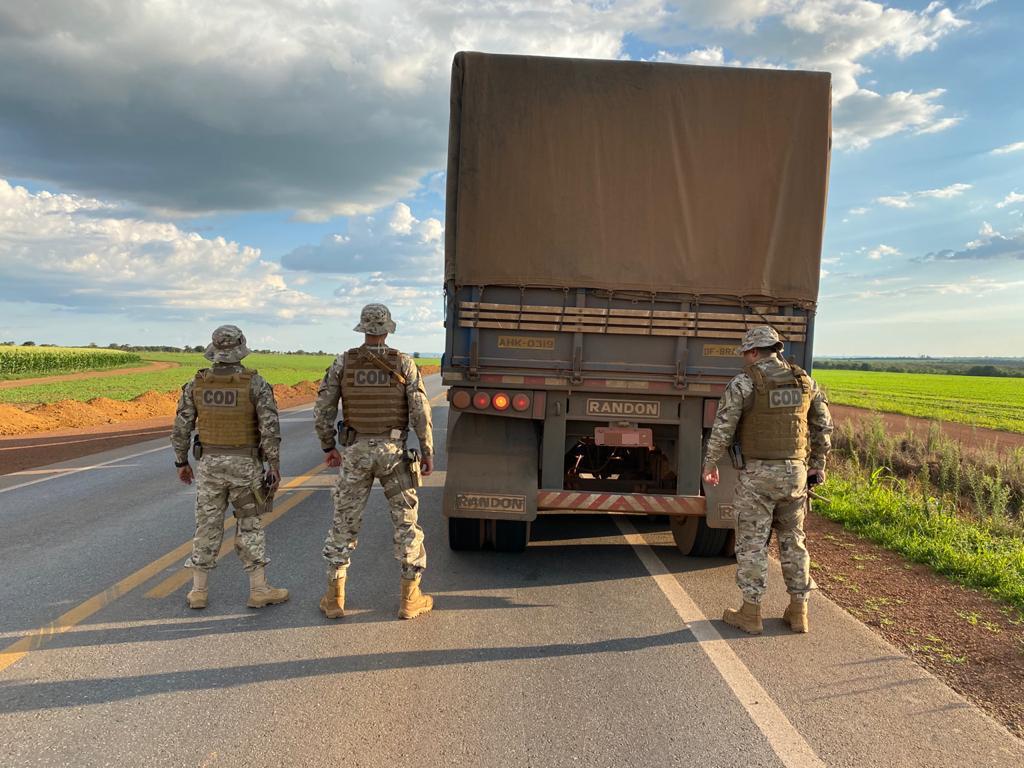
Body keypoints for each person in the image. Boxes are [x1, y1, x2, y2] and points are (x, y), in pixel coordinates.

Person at [702, 325, 833, 635]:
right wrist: (818, 465)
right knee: (794, 540)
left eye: (746, 353)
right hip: (795, 474)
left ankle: (751, 612)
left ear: (754, 352)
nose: (744, 359)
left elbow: (723, 427)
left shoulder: (745, 383)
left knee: (752, 544)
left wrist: (711, 463)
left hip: (759, 476)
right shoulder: (805, 381)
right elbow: (823, 426)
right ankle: (798, 610)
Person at [314, 303, 434, 620]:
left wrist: (329, 445)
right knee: (406, 523)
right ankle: (410, 599)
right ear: (388, 329)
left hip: (355, 453)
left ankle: (335, 598)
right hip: (393, 452)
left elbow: (323, 408)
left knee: (344, 522)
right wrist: (427, 450)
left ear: (363, 328)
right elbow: (420, 411)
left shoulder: (343, 362)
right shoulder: (404, 362)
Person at [172, 325, 289, 610]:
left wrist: (181, 461)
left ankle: (198, 592)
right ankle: (258, 589)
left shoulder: (196, 383)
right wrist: (273, 464)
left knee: (207, 525)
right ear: (240, 347)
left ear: (215, 349)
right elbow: (269, 428)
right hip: (246, 465)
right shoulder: (255, 383)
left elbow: (181, 426)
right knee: (250, 524)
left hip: (209, 465)